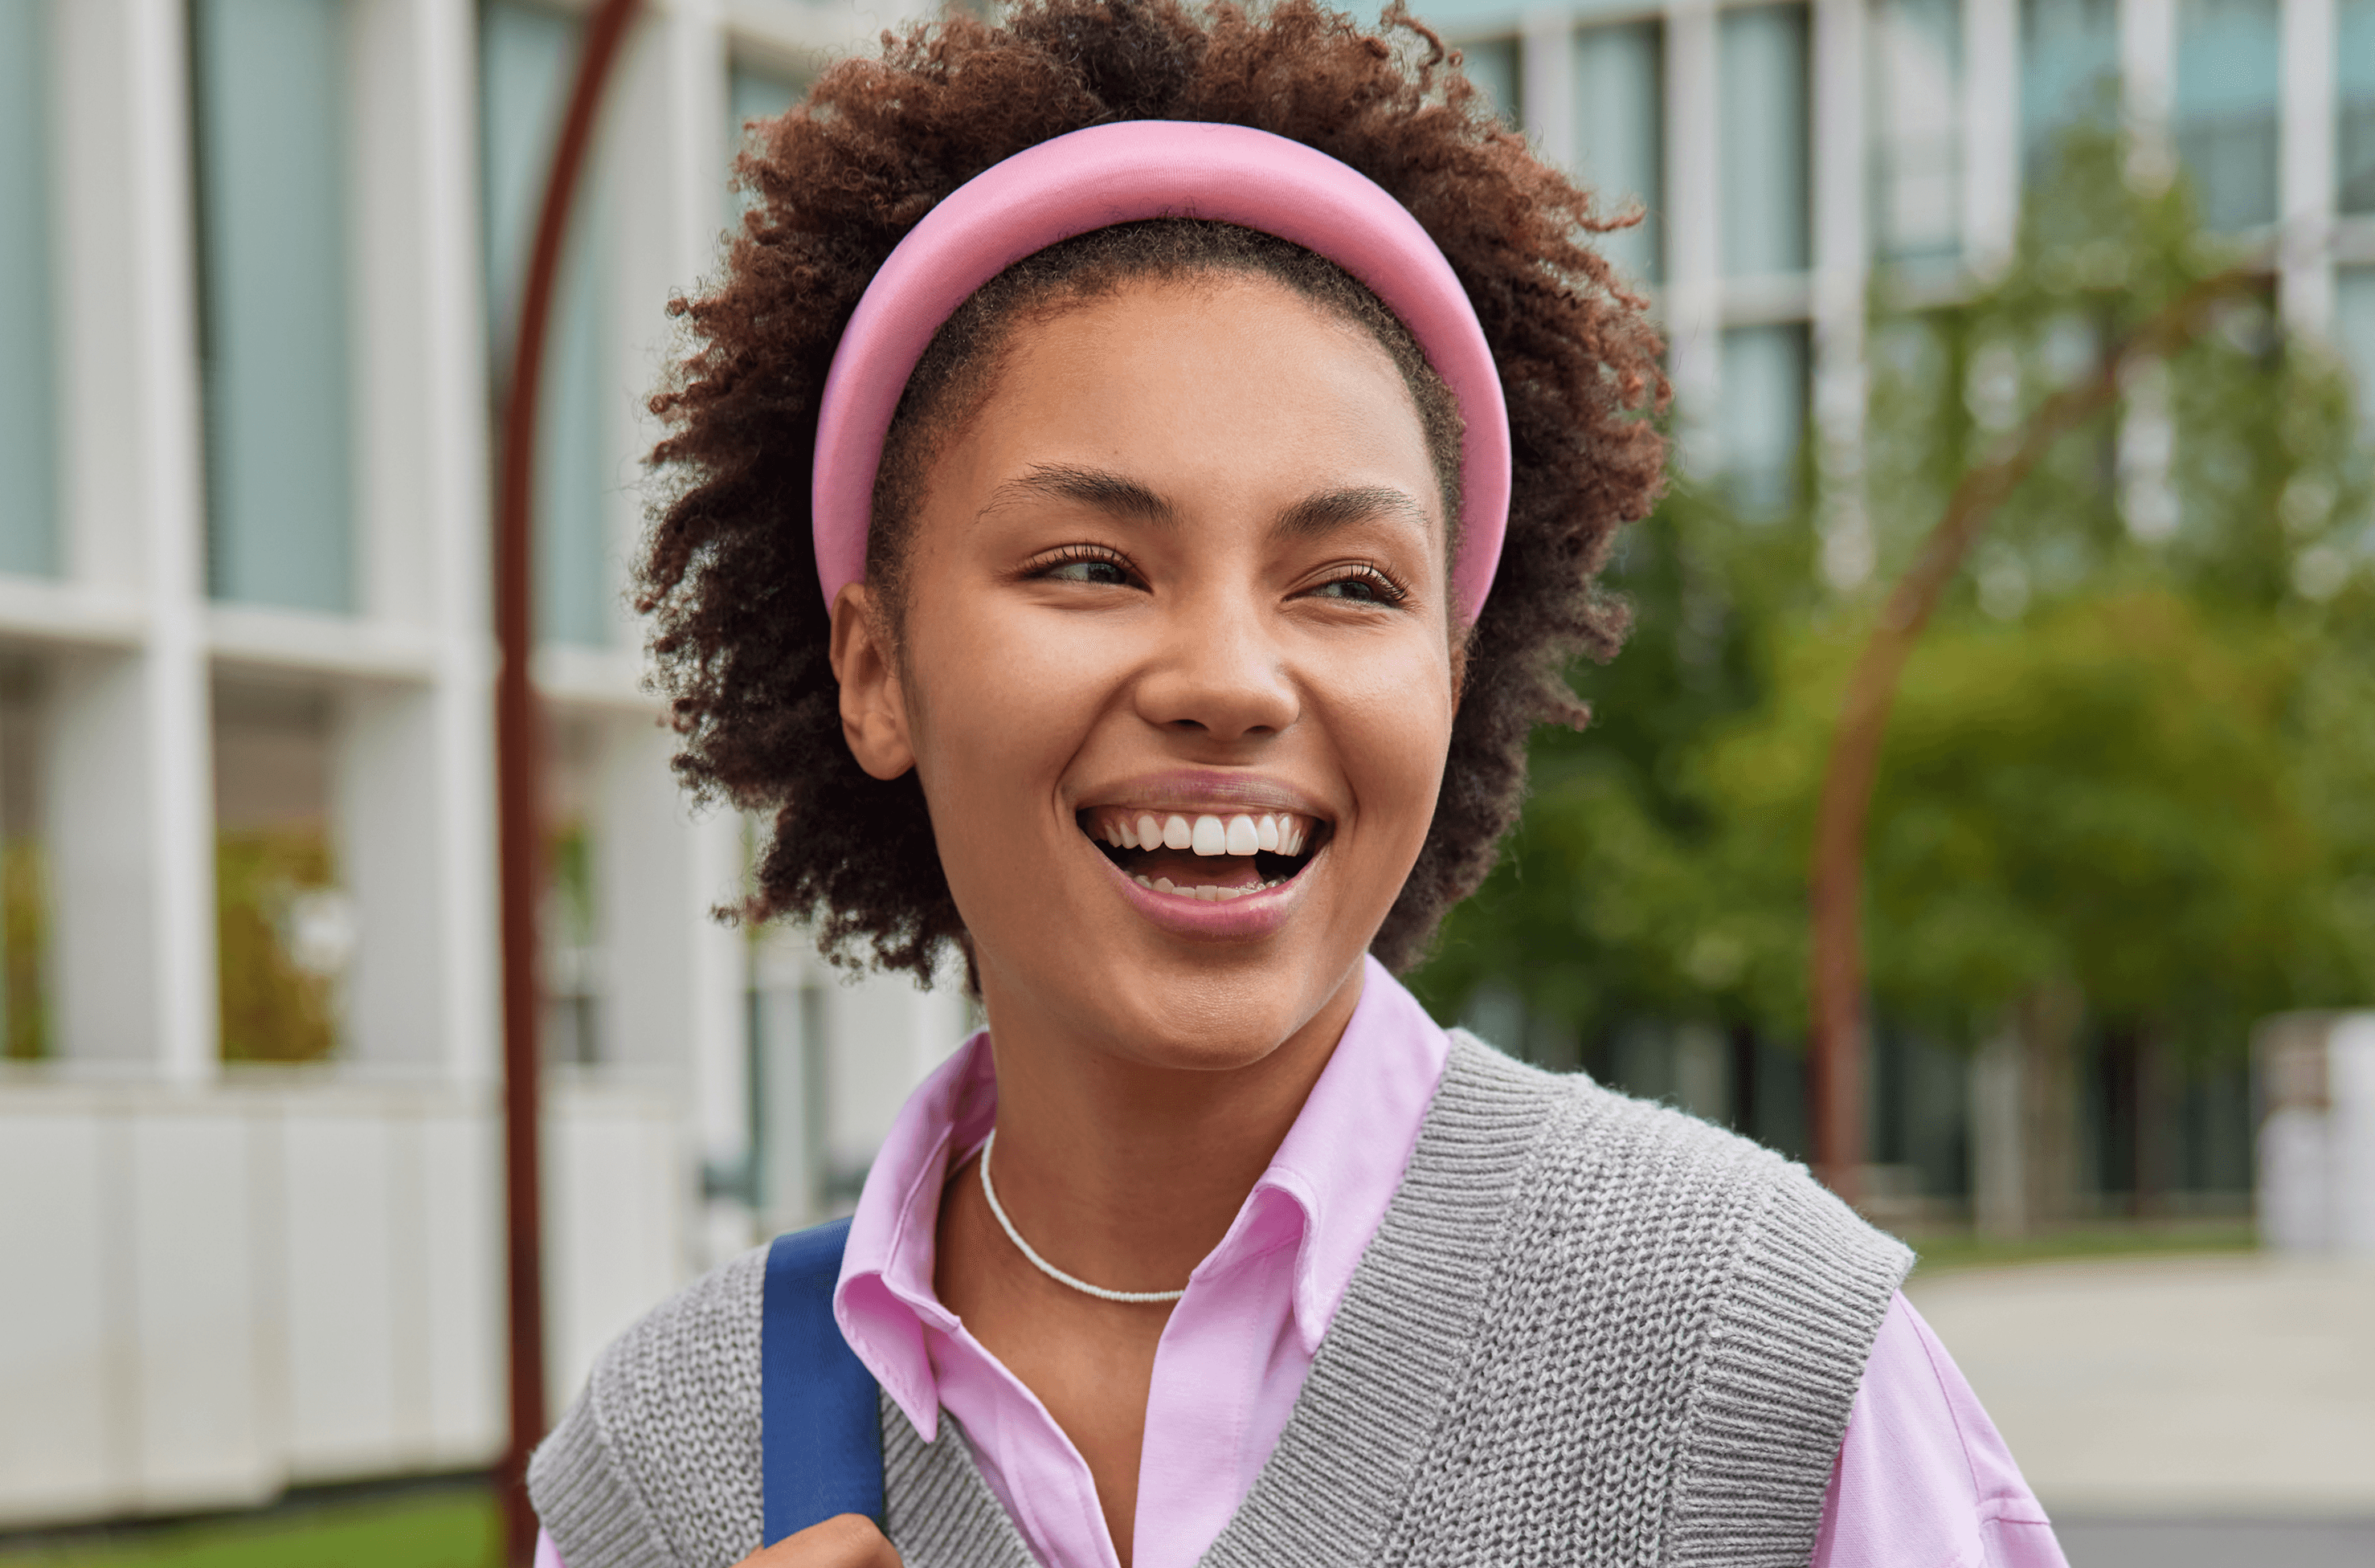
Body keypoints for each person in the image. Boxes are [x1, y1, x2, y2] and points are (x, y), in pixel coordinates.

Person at [526, 2, 2069, 1566]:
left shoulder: (1758, 1358)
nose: (1229, 680)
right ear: (874, 671)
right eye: (1087, 565)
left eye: (1345, 583)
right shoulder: (675, 1456)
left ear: (1451, 675)